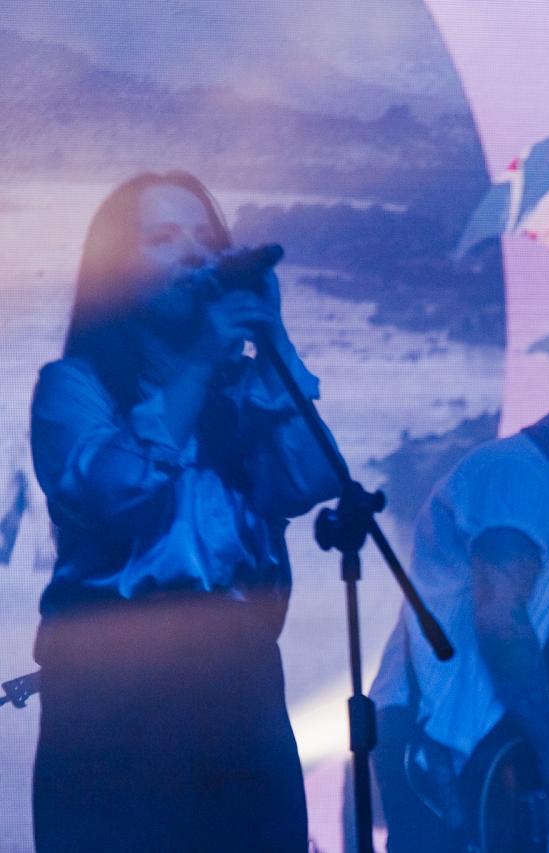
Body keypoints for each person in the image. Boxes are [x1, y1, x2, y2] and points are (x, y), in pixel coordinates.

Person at [29, 171, 341, 852]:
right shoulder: (72, 388)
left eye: (205, 237)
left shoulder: (242, 392)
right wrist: (198, 363)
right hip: (115, 687)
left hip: (241, 680)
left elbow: (309, 478)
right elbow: (118, 496)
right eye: (164, 237)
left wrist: (275, 342)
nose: (194, 253)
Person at [368, 368, 549, 852]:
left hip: (473, 764)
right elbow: (502, 624)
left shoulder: (542, 491)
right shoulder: (518, 474)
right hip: (442, 765)